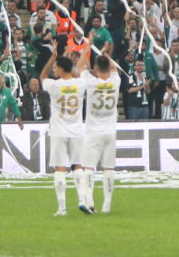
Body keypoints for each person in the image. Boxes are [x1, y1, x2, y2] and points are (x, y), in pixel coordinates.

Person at [41, 43, 92, 216]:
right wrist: (85, 49)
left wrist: (53, 57)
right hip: (76, 130)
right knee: (78, 166)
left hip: (58, 131)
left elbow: (42, 77)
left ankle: (62, 208)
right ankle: (82, 200)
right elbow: (78, 71)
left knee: (60, 167)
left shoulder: (54, 85)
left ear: (62, 69)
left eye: (56, 67)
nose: (54, 70)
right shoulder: (80, 84)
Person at [80, 52, 121, 213]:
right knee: (108, 168)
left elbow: (80, 65)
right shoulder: (115, 81)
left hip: (93, 131)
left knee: (89, 167)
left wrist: (88, 47)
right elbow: (114, 67)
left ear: (96, 69)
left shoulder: (91, 82)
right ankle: (107, 205)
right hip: (110, 132)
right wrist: (106, 55)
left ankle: (90, 201)